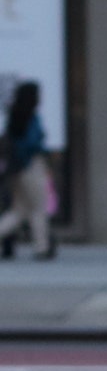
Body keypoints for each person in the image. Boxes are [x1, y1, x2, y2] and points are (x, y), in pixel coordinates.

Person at [0, 80, 52, 256]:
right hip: (31, 165)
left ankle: (42, 246)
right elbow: (33, 143)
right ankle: (41, 246)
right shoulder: (32, 117)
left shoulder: (14, 116)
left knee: (19, 211)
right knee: (38, 208)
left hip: (17, 169)